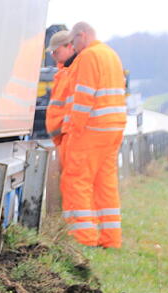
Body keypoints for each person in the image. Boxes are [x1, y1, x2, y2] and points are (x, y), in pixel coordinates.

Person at [60, 22, 127, 248]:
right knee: (104, 183)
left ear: (82, 35)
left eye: (74, 42)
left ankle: (83, 238)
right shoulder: (111, 55)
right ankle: (111, 239)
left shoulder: (89, 56)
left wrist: (73, 130)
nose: (74, 47)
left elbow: (84, 96)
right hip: (113, 128)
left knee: (76, 180)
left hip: (91, 128)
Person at [44, 30, 76, 147]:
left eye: (56, 51)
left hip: (69, 138)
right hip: (63, 140)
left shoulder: (74, 72)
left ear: (69, 47)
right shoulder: (63, 73)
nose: (53, 55)